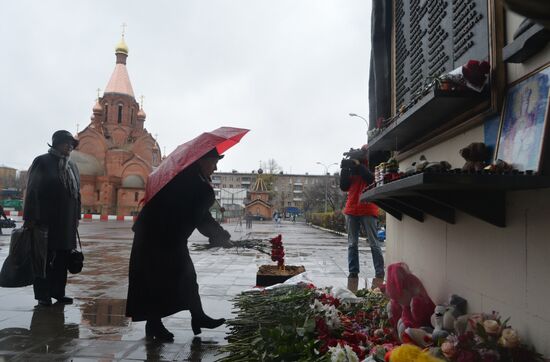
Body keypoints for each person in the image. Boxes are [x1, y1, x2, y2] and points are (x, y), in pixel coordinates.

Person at [126, 148, 231, 341]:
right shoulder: (192, 181)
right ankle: (157, 325)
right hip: (157, 237)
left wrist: (219, 235)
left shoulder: (192, 178)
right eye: (214, 162)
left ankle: (195, 317)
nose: (216, 167)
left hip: (164, 237)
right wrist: (220, 236)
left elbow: (200, 215)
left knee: (184, 277)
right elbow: (201, 217)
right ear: (201, 161)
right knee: (159, 280)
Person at [23, 130, 81, 306]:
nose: (69, 147)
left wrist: (76, 216)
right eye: (66, 143)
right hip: (46, 220)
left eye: (72, 144)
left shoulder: (72, 166)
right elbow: (32, 190)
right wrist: (31, 218)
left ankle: (58, 292)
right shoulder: (43, 161)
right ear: (56, 144)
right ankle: (43, 295)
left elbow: (76, 193)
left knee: (62, 259)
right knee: (44, 259)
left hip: (66, 221)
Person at [339, 145, 385, 289]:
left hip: (368, 208)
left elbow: (371, 179)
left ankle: (379, 272)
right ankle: (353, 272)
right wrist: (345, 170)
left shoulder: (370, 165)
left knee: (374, 243)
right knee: (352, 243)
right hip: (352, 209)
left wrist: (359, 166)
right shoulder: (350, 167)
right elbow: (344, 186)